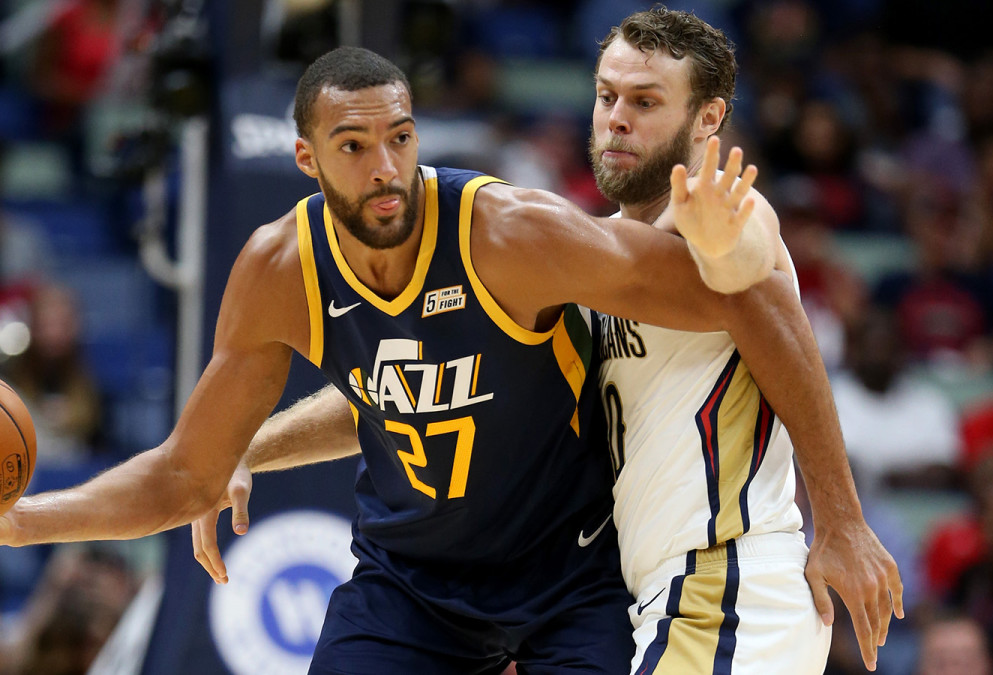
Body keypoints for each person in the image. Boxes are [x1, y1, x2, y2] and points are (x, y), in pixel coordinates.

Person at [0, 45, 868, 673]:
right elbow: (186, 474)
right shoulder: (279, 270)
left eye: (398, 138)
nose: (386, 167)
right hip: (412, 584)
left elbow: (750, 299)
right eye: (353, 146)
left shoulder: (509, 233)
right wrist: (18, 521)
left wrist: (841, 515)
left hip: (569, 574)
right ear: (308, 160)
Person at [191, 9, 902, 675]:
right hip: (656, 591)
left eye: (645, 102)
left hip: (727, 578)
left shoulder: (725, 213)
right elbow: (404, 395)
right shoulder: (588, 261)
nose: (617, 118)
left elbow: (755, 283)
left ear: (708, 118)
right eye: (607, 96)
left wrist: (842, 519)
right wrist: (246, 446)